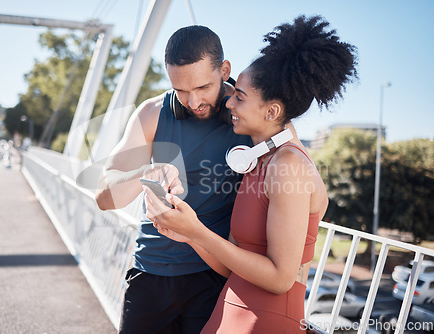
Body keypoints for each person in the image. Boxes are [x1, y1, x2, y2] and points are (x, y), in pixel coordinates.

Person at [144, 15, 358, 333]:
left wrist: (198, 232)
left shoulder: (288, 165)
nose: (229, 101)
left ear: (271, 112)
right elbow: (233, 264)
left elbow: (280, 278)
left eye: (240, 97)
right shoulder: (259, 161)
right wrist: (187, 233)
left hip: (265, 321)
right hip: (232, 310)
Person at [95, 25, 252, 333]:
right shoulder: (153, 112)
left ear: (225, 70)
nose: (193, 102)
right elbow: (103, 198)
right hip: (150, 273)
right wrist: (145, 172)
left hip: (216, 278)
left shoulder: (252, 115)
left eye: (203, 88)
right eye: (181, 91)